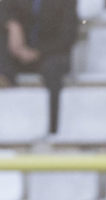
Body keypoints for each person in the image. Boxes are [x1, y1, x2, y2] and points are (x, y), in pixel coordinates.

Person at [0, 0, 78, 134]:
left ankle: (52, 128)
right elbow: (4, 10)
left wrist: (38, 52)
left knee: (53, 69)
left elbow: (68, 35)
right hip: (18, 52)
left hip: (50, 53)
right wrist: (12, 25)